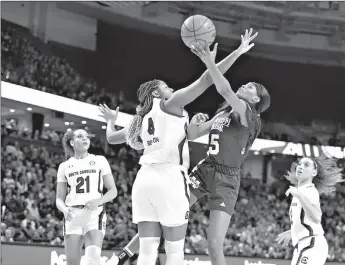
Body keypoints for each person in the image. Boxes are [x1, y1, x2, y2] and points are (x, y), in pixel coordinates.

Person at [100, 29, 259, 265]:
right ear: (157, 93)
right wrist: (225, 56)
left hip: (145, 177)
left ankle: (120, 258)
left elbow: (112, 139)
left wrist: (111, 121)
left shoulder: (139, 119)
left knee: (149, 247)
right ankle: (124, 257)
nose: (172, 89)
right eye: (166, 86)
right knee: (175, 250)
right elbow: (208, 81)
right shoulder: (170, 104)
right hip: (172, 176)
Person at [183, 34, 271, 265]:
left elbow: (224, 90)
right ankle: (128, 256)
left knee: (213, 245)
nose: (245, 85)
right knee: (170, 213)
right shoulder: (223, 114)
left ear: (256, 100)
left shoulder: (249, 115)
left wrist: (209, 63)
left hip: (227, 179)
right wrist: (194, 121)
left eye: (250, 87)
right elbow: (193, 135)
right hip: (206, 169)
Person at [56, 129, 117, 265]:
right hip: (73, 215)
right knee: (72, 263)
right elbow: (58, 199)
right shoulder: (64, 166)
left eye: (87, 136)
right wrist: (64, 210)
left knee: (93, 258)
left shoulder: (99, 160)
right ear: (72, 142)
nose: (85, 139)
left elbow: (113, 191)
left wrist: (98, 201)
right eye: (80, 136)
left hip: (95, 213)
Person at [275, 156, 344, 265]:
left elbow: (316, 217)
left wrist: (298, 194)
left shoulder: (309, 191)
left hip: (311, 244)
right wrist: (292, 232)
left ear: (314, 172)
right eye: (300, 164)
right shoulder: (302, 191)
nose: (300, 166)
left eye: (306, 165)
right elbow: (307, 222)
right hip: (304, 245)